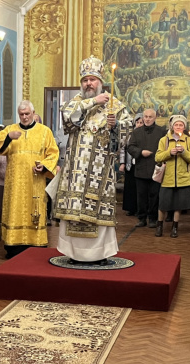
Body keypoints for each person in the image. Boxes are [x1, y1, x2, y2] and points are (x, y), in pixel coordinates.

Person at [53, 56, 133, 263]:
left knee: (98, 213)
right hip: (75, 173)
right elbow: (68, 119)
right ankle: (74, 253)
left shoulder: (114, 105)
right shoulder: (76, 103)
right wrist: (94, 102)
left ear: (100, 82)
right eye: (85, 80)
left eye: (93, 79)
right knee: (74, 210)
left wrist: (116, 126)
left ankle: (99, 254)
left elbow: (127, 133)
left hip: (100, 171)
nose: (89, 83)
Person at [0, 100, 60, 258]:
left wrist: (43, 165)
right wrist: (8, 138)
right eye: (21, 114)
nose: (24, 117)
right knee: (14, 211)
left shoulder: (44, 131)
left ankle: (36, 245)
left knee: (34, 211)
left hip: (35, 182)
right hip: (14, 183)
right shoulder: (10, 129)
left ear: (33, 113)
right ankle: (13, 248)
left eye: (27, 114)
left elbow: (53, 153)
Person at [154, 114, 190, 238]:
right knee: (163, 204)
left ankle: (175, 227)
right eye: (176, 125)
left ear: (184, 127)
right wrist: (169, 153)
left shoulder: (188, 140)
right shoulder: (164, 140)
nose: (178, 127)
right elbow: (158, 157)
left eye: (180, 125)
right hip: (168, 178)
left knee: (179, 204)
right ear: (172, 126)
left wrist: (183, 152)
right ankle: (159, 226)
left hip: (183, 178)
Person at [126, 107, 165, 228]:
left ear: (155, 118)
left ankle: (153, 218)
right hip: (141, 167)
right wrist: (141, 152)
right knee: (141, 195)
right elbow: (130, 147)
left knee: (154, 195)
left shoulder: (161, 132)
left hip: (156, 168)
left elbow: (166, 147)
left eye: (150, 117)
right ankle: (141, 218)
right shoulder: (136, 132)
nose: (147, 119)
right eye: (146, 117)